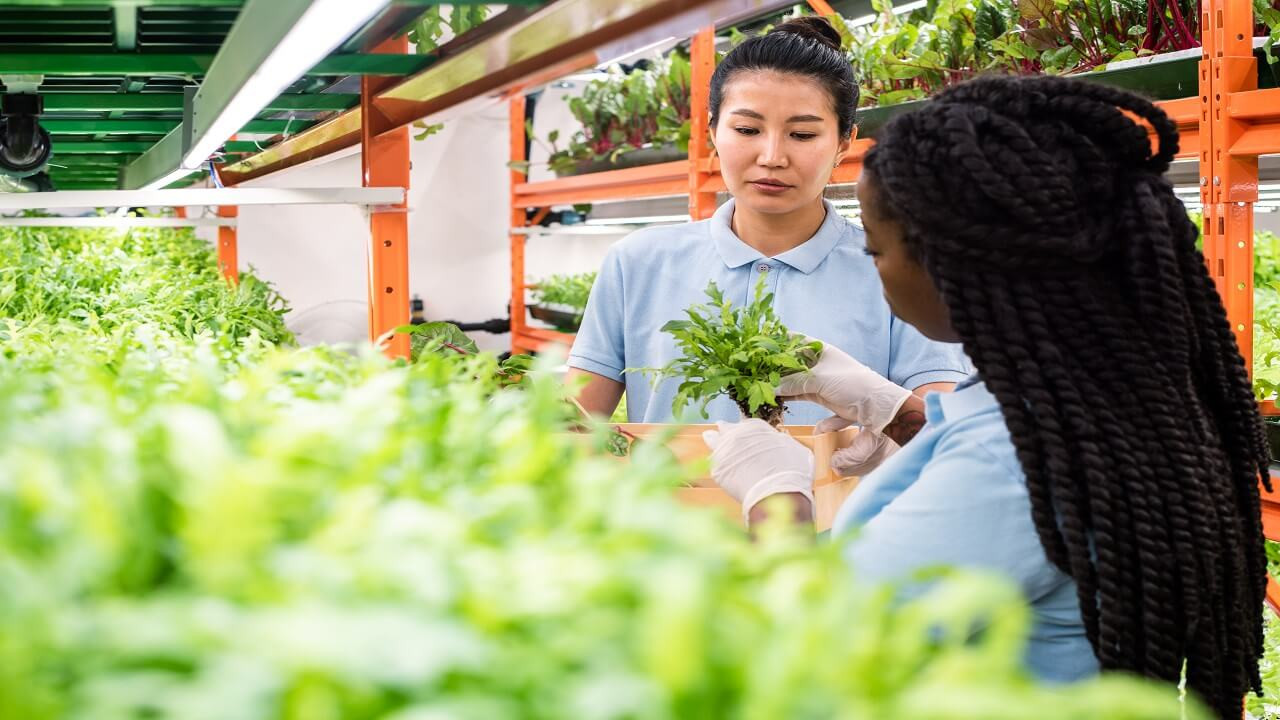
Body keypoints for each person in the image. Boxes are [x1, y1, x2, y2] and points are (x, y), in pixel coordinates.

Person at [705, 75, 1270, 719]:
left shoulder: (1010, 467)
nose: (872, 266)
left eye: (876, 250)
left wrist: (775, 499)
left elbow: (810, 641)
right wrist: (900, 410)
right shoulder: (1088, 407)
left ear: (950, 264)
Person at [566, 17, 969, 450]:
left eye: (802, 134)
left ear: (844, 143)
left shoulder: (900, 269)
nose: (772, 156)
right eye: (747, 130)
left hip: (840, 515)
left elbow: (948, 442)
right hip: (666, 513)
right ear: (713, 134)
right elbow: (574, 429)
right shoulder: (637, 261)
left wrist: (884, 406)